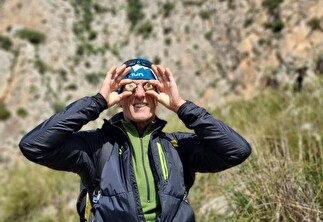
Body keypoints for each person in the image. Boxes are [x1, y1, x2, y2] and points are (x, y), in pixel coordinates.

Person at [19, 58, 252, 222]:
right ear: (119, 97)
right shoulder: (96, 148)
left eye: (148, 87)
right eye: (130, 87)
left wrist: (181, 106)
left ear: (158, 95)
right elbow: (34, 145)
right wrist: (98, 102)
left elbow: (237, 150)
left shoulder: (178, 147)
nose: (140, 95)